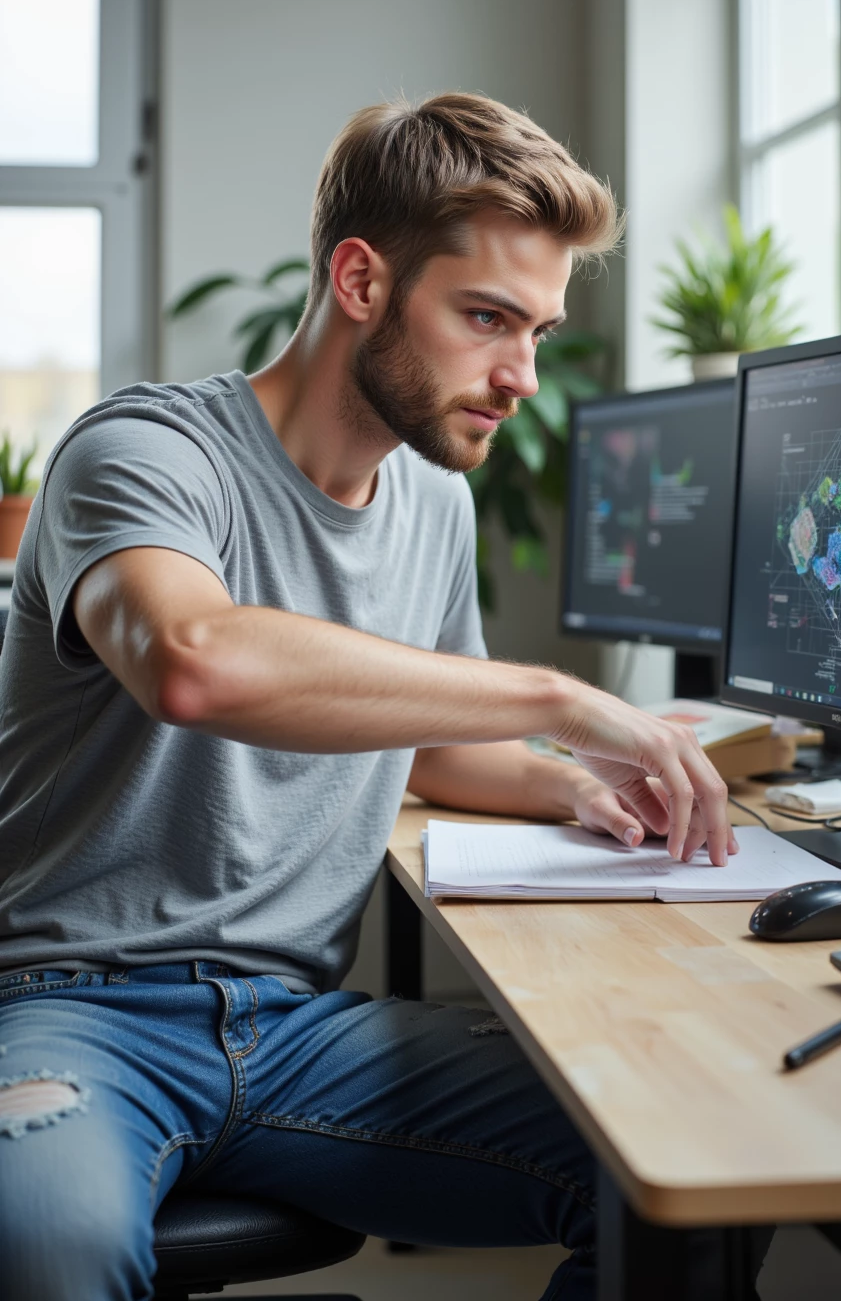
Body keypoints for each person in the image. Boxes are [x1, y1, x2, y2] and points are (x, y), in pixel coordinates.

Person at [0, 93, 736, 1300]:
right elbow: (195, 660)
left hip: (296, 1031)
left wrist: (581, 784)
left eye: (539, 332)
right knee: (47, 1257)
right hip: (76, 1009)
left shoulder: (432, 500)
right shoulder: (139, 454)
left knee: (680, 1170)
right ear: (359, 280)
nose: (520, 377)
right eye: (487, 318)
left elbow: (429, 743)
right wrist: (559, 695)